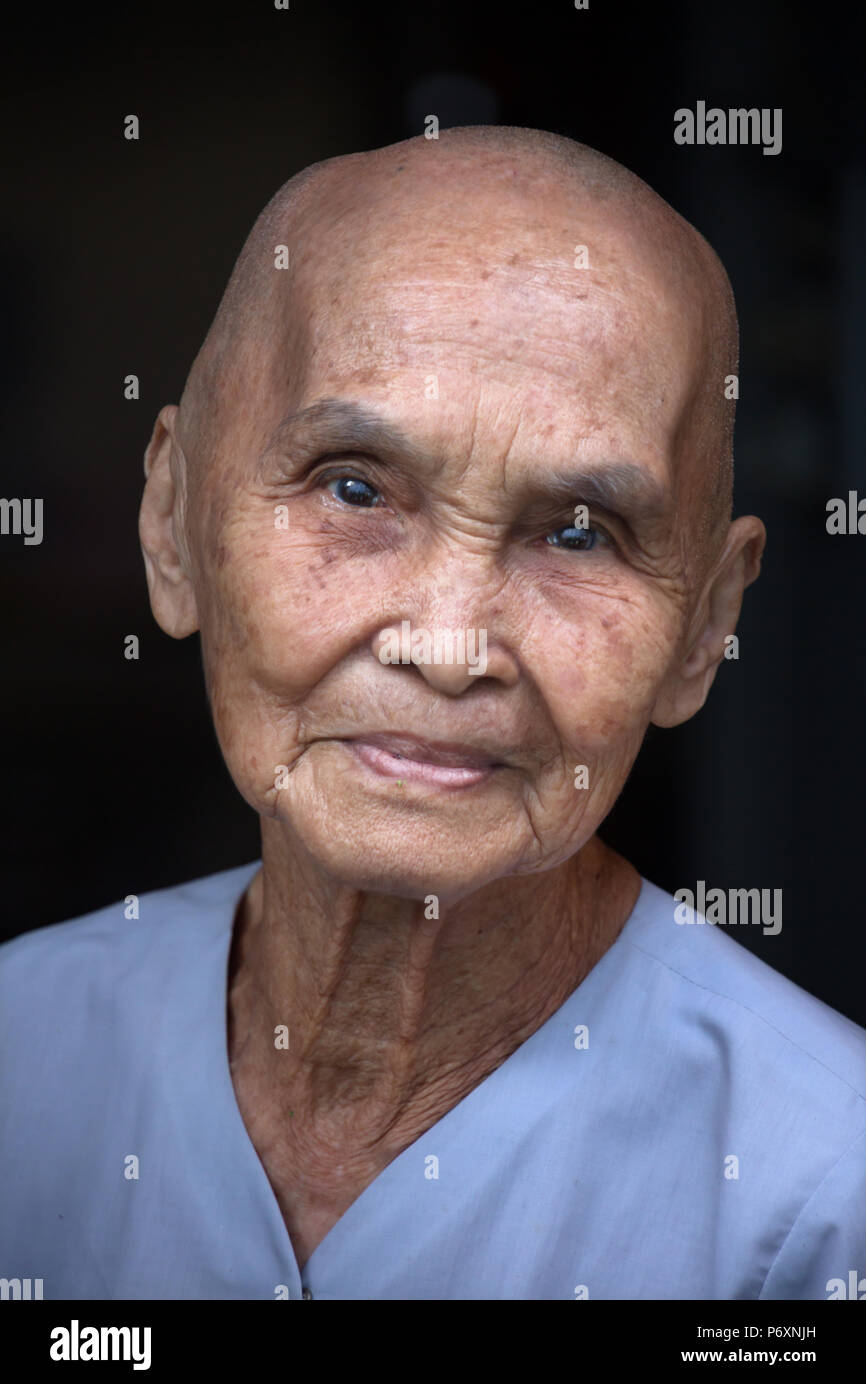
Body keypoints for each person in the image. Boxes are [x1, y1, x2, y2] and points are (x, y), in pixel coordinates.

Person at [1, 126, 864, 1300]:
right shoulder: (22, 1057)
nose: (449, 646)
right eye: (353, 487)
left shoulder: (820, 1197)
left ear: (703, 627)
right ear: (175, 524)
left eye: (577, 533)